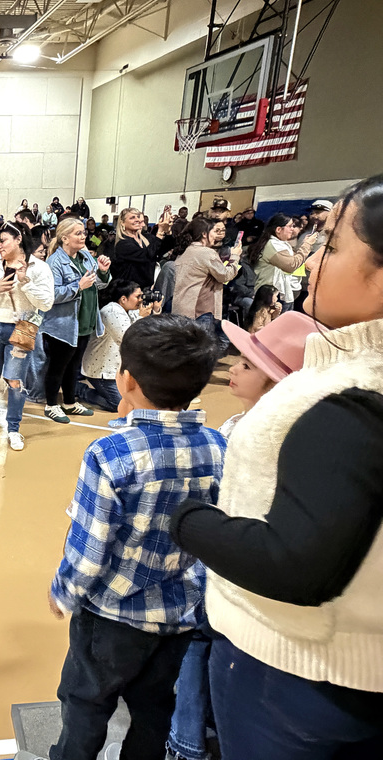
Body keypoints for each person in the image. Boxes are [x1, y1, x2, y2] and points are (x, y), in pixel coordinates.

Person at [171, 175, 383, 758]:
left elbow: (296, 563)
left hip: (300, 675)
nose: (311, 261)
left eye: (331, 247)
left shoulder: (356, 397)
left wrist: (188, 519)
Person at [47, 314, 226, 760]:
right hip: (180, 614)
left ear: (125, 379)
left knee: (86, 703)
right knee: (154, 709)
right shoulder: (219, 446)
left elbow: (91, 546)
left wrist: (64, 592)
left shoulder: (109, 453)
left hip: (112, 614)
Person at [166, 310, 320, 760]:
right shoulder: (240, 425)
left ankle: (185, 742)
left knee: (200, 640)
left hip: (235, 568)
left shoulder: (263, 438)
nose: (233, 368)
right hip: (232, 559)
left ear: (278, 383)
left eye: (248, 365)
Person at [0, 221, 54, 451]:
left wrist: (25, 283)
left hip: (22, 328)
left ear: (18, 239)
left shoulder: (39, 268)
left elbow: (46, 304)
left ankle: (14, 428)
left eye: (3, 241)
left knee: (15, 381)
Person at [43, 218, 112, 424]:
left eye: (84, 233)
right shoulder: (54, 262)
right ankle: (51, 405)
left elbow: (99, 285)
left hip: (84, 321)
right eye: (78, 233)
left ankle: (70, 402)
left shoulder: (86, 256)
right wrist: (77, 287)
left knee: (74, 366)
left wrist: (103, 272)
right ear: (65, 238)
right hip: (63, 325)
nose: (83, 237)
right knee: (58, 367)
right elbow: (52, 295)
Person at [77, 279, 155, 412]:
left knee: (139, 398)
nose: (141, 300)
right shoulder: (111, 311)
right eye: (138, 296)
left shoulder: (129, 310)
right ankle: (79, 390)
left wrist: (155, 309)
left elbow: (147, 330)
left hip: (118, 369)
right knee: (117, 404)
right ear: (123, 299)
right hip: (102, 370)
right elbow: (126, 340)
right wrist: (141, 317)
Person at [173, 218, 242, 346]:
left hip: (181, 308)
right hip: (200, 310)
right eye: (215, 231)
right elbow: (225, 276)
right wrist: (235, 256)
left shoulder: (185, 251)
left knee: (186, 348)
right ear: (204, 234)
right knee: (200, 350)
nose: (217, 235)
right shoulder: (206, 252)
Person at [245, 213, 311, 312]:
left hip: (282, 292)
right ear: (279, 229)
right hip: (272, 294)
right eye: (290, 226)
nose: (292, 229)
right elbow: (291, 265)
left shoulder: (281, 243)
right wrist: (306, 245)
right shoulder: (273, 245)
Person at [110, 207, 173, 289]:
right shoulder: (122, 244)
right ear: (122, 223)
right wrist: (160, 232)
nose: (137, 220)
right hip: (127, 290)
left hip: (145, 289)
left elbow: (166, 247)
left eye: (138, 217)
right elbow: (146, 256)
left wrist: (167, 231)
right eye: (132, 217)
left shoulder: (147, 238)